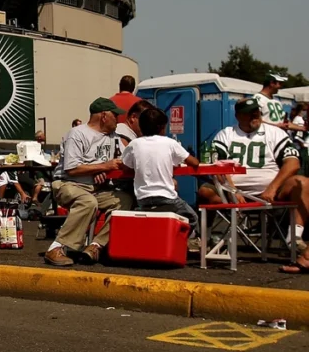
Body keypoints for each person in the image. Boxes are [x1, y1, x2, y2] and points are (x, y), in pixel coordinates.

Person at [198, 98, 309, 252]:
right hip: (233, 190)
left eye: (257, 112)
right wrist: (232, 191)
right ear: (238, 116)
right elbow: (217, 166)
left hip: (271, 191)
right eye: (249, 113)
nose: (255, 115)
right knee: (205, 191)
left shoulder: (275, 133)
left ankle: (294, 237)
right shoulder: (226, 134)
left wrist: (272, 188)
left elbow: (293, 163)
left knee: (303, 183)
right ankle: (205, 237)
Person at [44, 98, 130, 267]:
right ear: (104, 116)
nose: (118, 119)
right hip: (68, 184)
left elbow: (124, 158)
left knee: (125, 200)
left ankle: (95, 246)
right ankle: (56, 247)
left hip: (97, 187)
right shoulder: (77, 134)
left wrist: (103, 171)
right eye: (115, 115)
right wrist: (102, 167)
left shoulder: (113, 137)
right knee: (88, 202)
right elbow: (72, 169)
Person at [121, 108, 201, 250]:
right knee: (192, 217)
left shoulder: (134, 144)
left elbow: (126, 166)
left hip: (143, 198)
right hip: (166, 197)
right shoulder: (170, 143)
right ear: (162, 128)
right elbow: (194, 162)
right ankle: (177, 242)